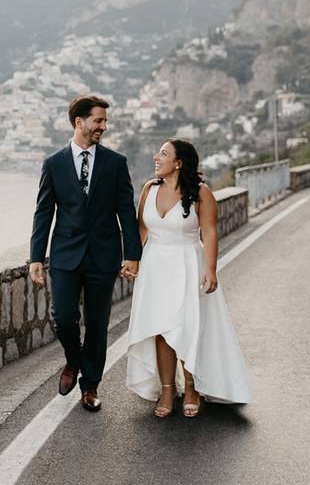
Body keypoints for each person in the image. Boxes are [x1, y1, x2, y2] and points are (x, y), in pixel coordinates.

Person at [123, 138, 253, 418]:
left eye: (164, 154)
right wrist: (132, 258)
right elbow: (142, 228)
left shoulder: (201, 193)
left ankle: (192, 387)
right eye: (158, 152)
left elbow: (209, 232)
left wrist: (210, 269)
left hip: (186, 264)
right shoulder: (149, 188)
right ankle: (168, 389)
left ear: (179, 163)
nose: (156, 157)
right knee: (159, 329)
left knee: (186, 326)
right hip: (155, 267)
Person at [29, 95, 141, 412]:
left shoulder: (115, 162)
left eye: (105, 122)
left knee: (97, 323)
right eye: (98, 121)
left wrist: (132, 254)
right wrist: (36, 257)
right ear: (79, 122)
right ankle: (72, 361)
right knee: (63, 316)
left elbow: (125, 210)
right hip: (64, 255)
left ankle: (90, 386)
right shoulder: (54, 163)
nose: (103, 127)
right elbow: (43, 213)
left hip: (103, 256)